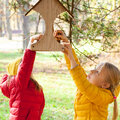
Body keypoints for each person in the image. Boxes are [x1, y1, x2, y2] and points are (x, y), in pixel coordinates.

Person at [54, 30, 120, 120]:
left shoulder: (102, 96)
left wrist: (71, 56)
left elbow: (80, 80)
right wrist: (66, 43)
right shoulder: (89, 86)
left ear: (105, 85)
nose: (92, 70)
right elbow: (78, 71)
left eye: (97, 72)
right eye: (95, 67)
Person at [0, 34, 45, 120]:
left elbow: (40, 109)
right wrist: (30, 45)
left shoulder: (35, 86)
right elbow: (26, 64)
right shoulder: (19, 83)